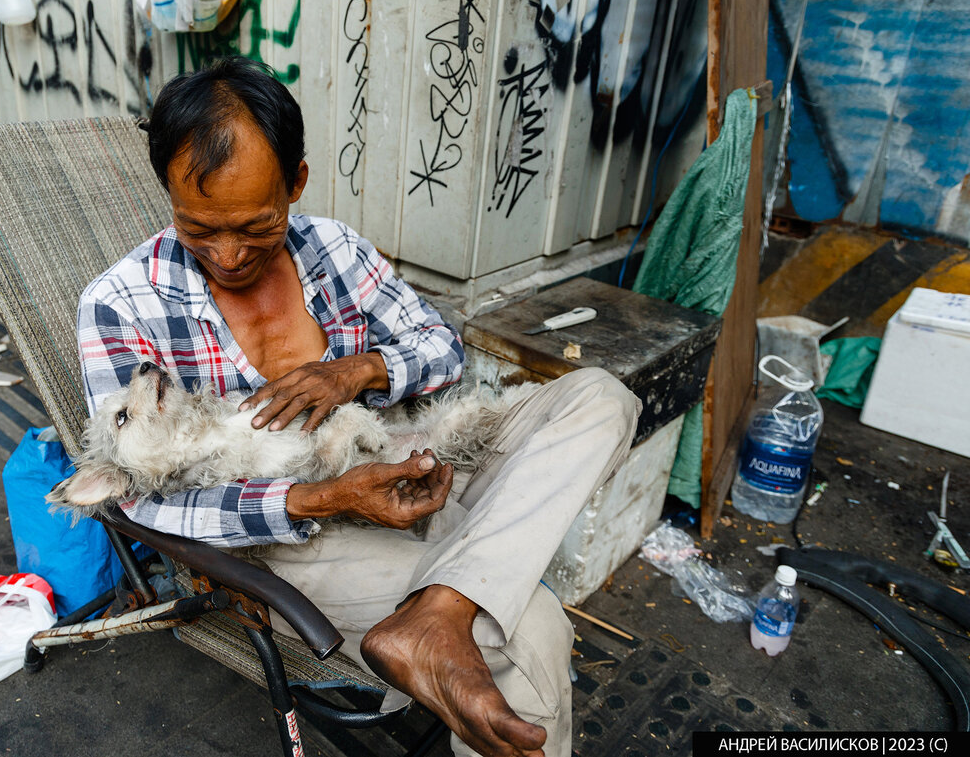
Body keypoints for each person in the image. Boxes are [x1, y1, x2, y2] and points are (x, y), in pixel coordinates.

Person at [77, 56, 639, 757]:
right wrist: (320, 498)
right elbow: (138, 502)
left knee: (602, 397)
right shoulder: (119, 304)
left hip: (415, 454)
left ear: (297, 183)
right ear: (168, 193)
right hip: (296, 544)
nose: (228, 254)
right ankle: (456, 601)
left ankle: (440, 609)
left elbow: (443, 347)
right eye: (199, 228)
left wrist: (359, 369)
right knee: (533, 629)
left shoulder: (335, 248)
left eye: (255, 225)